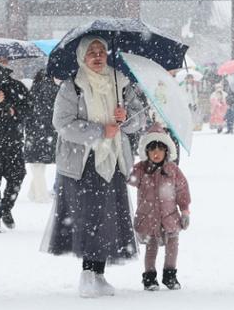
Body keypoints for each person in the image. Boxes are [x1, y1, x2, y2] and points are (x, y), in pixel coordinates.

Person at [42, 36, 142, 298]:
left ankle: (99, 274)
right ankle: (87, 274)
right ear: (82, 57)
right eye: (91, 52)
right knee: (91, 217)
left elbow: (137, 119)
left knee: (109, 217)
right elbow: (62, 123)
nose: (97, 56)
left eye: (101, 51)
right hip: (83, 162)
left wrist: (125, 118)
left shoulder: (120, 81)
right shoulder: (72, 86)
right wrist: (98, 131)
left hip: (115, 159)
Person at [128, 124, 191, 291]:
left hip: (170, 216)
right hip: (148, 216)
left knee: (172, 245)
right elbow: (127, 178)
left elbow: (182, 190)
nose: (156, 153)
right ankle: (149, 277)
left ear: (167, 151)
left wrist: (185, 211)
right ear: (146, 152)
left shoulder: (173, 170)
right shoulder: (141, 170)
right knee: (151, 246)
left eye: (160, 149)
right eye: (152, 149)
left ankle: (170, 275)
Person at [0, 59, 31, 231]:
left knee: (17, 176)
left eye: (3, 60)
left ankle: (5, 208)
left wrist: (13, 110)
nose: (0, 64)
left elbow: (29, 109)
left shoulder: (17, 86)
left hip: (13, 141)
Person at [24, 69, 60, 203]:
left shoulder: (34, 89)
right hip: (48, 131)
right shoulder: (54, 89)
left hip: (35, 132)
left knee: (37, 165)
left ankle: (34, 193)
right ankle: (40, 196)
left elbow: (28, 112)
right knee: (39, 165)